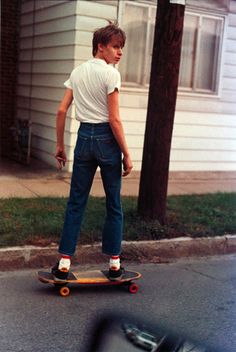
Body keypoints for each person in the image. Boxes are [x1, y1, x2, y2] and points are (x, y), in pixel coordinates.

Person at [51, 23, 133, 281]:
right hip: (107, 141)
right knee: (114, 204)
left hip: (84, 139)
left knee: (76, 201)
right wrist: (127, 154)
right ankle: (114, 263)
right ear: (101, 46)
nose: (119, 53)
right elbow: (114, 119)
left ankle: (64, 262)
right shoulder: (111, 74)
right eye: (115, 47)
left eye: (121, 48)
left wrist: (60, 146)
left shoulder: (77, 72)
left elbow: (62, 110)